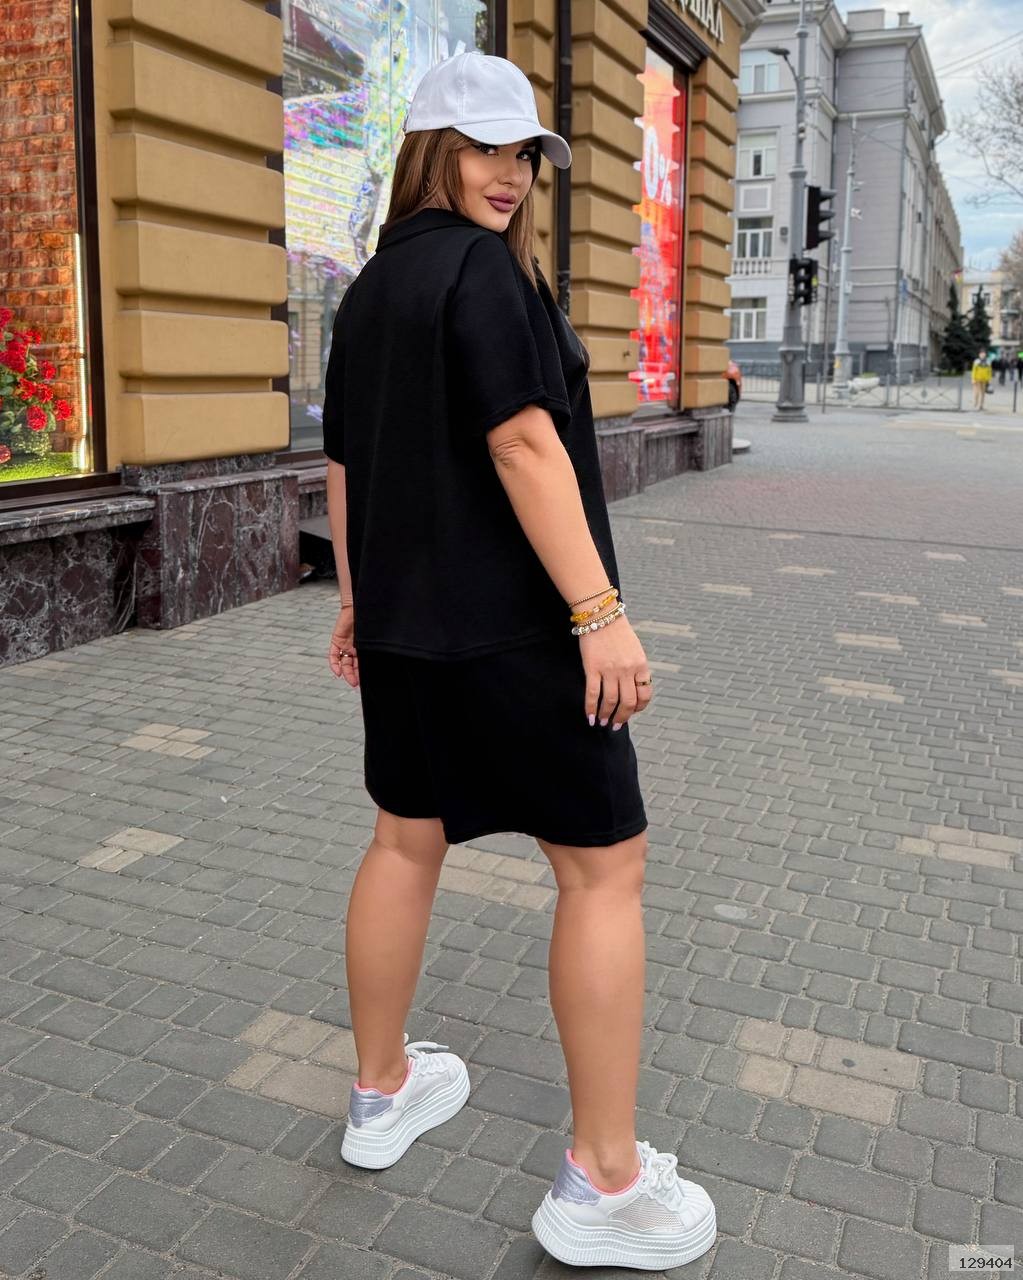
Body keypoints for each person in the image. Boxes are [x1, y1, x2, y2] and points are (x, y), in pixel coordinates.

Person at [320, 50, 717, 1273]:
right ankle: (605, 1177)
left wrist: (357, 604)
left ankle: (381, 1090)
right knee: (605, 868)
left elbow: (344, 464)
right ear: (432, 153)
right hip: (518, 629)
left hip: (407, 631)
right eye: (484, 149)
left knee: (404, 839)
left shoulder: (369, 291)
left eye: (524, 155)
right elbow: (524, 445)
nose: (509, 175)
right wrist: (600, 613)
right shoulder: (485, 274)